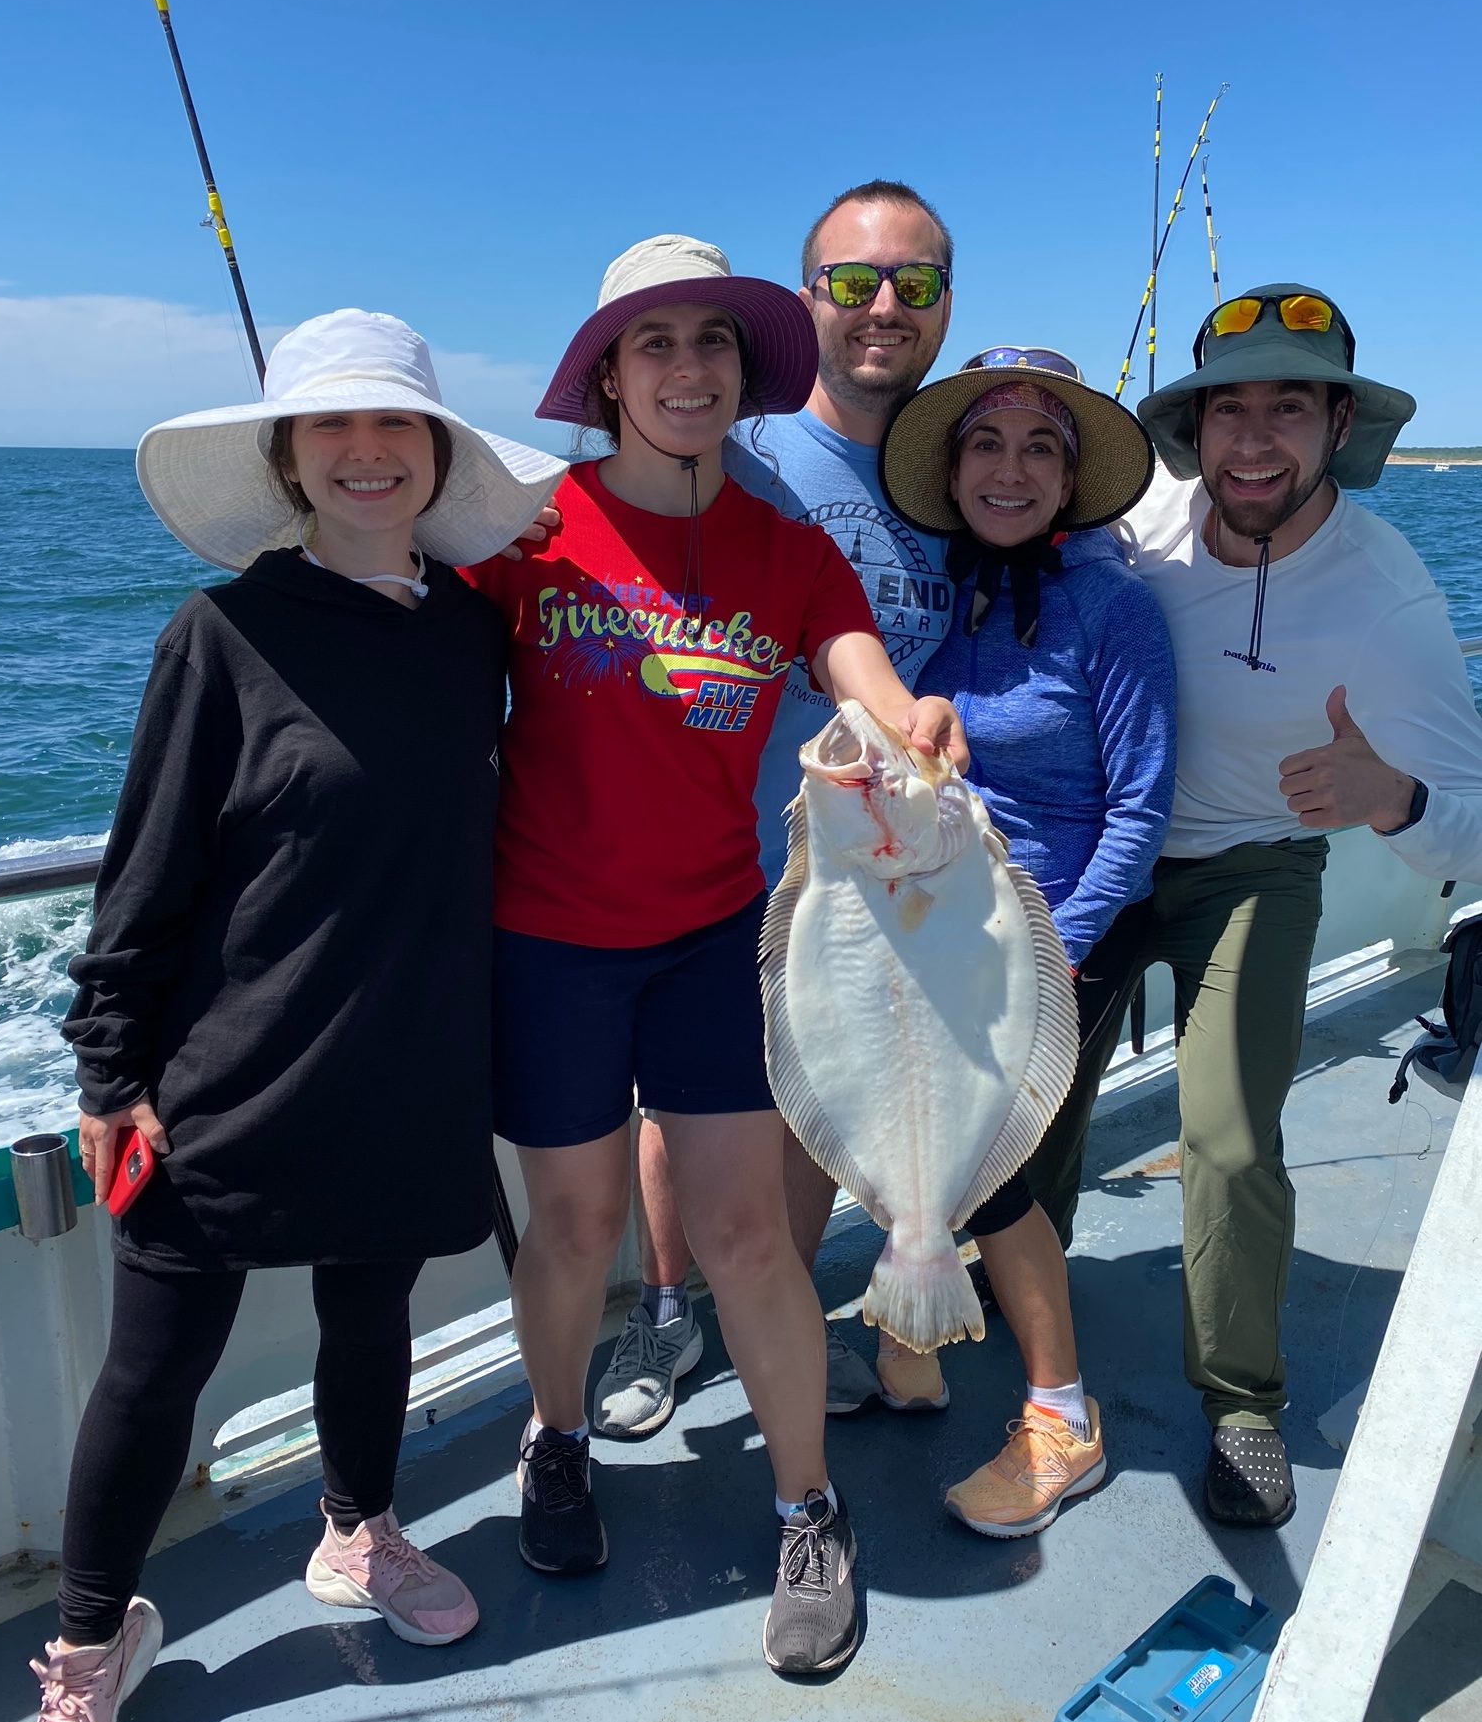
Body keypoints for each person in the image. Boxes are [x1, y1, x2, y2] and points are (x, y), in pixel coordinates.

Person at [14, 310, 567, 1722]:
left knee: (370, 1316)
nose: (367, 452)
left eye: (396, 426)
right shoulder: (220, 634)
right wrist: (111, 1074)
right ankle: (88, 1651)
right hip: (227, 1074)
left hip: (413, 1057)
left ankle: (358, 1531)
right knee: (154, 1372)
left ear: (438, 456)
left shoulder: (473, 633)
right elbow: (144, 877)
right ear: (287, 458)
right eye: (333, 426)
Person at [463, 234, 965, 1674]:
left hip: (710, 940)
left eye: (714, 343)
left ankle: (809, 1507)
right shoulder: (524, 534)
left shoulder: (789, 553)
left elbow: (863, 676)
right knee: (574, 1231)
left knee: (746, 1238)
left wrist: (910, 725)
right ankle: (556, 1441)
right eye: (656, 343)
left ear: (745, 374)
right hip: (546, 943)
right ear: (608, 377)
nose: (688, 368)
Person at [1109, 285, 1482, 1527]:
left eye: (1289, 408)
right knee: (1035, 1118)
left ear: (1339, 426)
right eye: (1229, 409)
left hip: (1253, 865)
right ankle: (1008, 1286)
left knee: (1224, 1134)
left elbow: (1476, 823)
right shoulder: (1144, 518)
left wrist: (1393, 797)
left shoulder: (1387, 598)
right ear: (1193, 427)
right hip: (1107, 852)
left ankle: (1240, 1402)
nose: (1255, 440)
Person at [596, 180, 958, 1440]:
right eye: (853, 281)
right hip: (717, 860)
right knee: (677, 1106)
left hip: (875, 875)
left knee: (815, 1113)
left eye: (914, 283)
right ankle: (664, 1311)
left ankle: (784, 1316)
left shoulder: (953, 474)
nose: (883, 306)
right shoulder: (739, 453)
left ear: (946, 305)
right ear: (808, 304)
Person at [876, 348, 1174, 1532]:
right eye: (987, 445)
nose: (1011, 470)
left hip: (1047, 941)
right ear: (953, 474)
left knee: (987, 1174)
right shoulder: (939, 595)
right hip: (931, 929)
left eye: (1040, 447)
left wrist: (1059, 949)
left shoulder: (1115, 607)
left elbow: (1140, 811)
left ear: (1070, 479)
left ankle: (1062, 1417)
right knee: (901, 1146)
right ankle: (910, 1348)